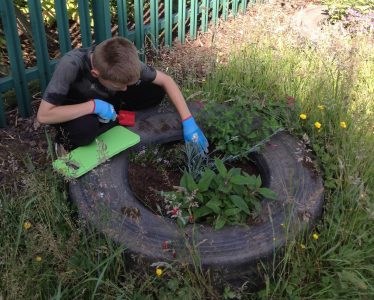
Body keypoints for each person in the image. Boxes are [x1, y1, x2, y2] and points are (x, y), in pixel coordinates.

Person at [37, 36, 208, 153]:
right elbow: (44, 115)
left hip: (107, 98)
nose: (126, 89)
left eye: (127, 84)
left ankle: (113, 117)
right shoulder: (71, 65)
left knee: (155, 90)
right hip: (76, 109)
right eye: (121, 85)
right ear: (96, 74)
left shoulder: (123, 60)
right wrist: (93, 106)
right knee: (84, 131)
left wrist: (188, 121)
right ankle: (66, 142)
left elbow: (166, 80)